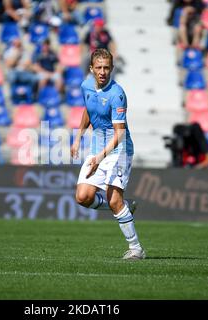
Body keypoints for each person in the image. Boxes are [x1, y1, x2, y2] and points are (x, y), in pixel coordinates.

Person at [70, 48, 145, 260]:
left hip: (119, 150)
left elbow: (119, 134)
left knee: (114, 201)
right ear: (91, 69)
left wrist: (99, 158)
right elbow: (88, 108)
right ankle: (126, 207)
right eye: (99, 68)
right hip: (97, 149)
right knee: (83, 197)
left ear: (112, 68)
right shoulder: (86, 85)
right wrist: (78, 137)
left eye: (106, 68)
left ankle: (136, 249)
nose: (102, 72)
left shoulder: (117, 94)